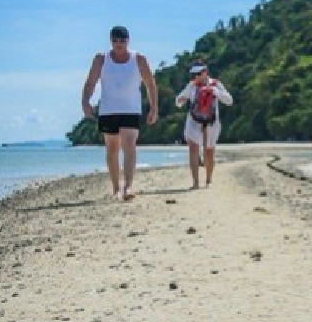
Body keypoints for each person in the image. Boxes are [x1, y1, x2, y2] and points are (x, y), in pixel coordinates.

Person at [80, 25, 159, 201]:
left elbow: (150, 84)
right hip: (108, 110)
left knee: (129, 144)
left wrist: (154, 107)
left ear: (128, 41)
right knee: (112, 149)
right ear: (111, 41)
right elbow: (91, 82)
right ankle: (116, 188)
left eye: (122, 41)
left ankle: (128, 186)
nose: (118, 45)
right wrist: (85, 101)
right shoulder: (101, 59)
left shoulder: (139, 59)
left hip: (131, 110)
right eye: (115, 41)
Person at [174, 59, 234, 188]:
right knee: (193, 149)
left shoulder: (216, 84)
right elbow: (178, 101)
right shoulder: (191, 86)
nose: (196, 77)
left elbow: (229, 101)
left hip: (211, 122)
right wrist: (181, 100)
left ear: (205, 72)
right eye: (194, 74)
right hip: (193, 121)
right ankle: (195, 182)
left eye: (198, 74)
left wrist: (215, 92)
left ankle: (208, 180)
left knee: (209, 151)